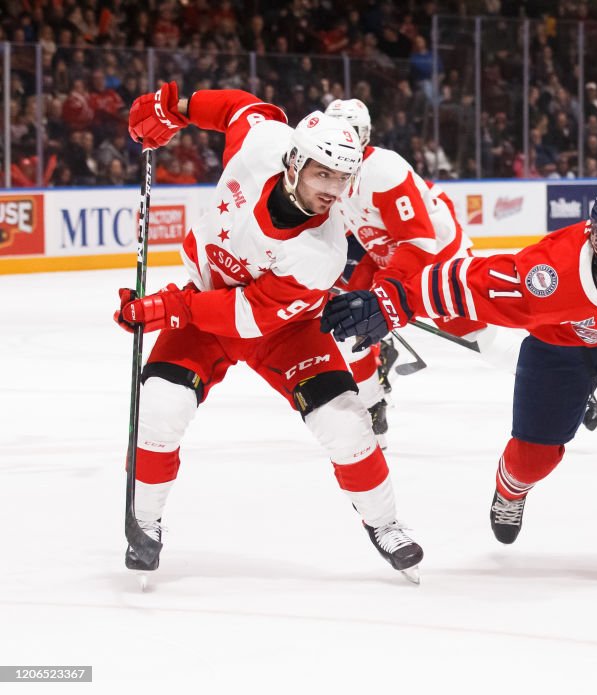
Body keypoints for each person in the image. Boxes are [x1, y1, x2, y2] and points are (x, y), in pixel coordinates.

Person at [320, 185, 597, 584]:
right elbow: (466, 282)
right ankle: (511, 489)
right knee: (535, 458)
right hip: (563, 343)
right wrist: (393, 301)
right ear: (596, 241)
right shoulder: (544, 276)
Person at [115, 82, 423, 583]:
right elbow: (242, 107)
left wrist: (172, 308)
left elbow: (249, 317)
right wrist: (173, 107)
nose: (333, 188)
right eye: (323, 173)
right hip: (204, 301)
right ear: (295, 163)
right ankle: (144, 521)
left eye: (344, 178)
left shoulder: (320, 253)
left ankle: (385, 523)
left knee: (347, 423)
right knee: (159, 408)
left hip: (283, 328)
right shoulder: (262, 145)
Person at [325, 98, 597, 437]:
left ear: (364, 135)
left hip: (439, 256)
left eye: (349, 134)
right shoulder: (335, 178)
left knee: (476, 335)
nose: (340, 147)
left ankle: (566, 380)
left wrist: (386, 297)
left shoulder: (382, 171)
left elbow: (420, 241)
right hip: (389, 254)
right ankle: (373, 396)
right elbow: (358, 234)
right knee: (349, 318)